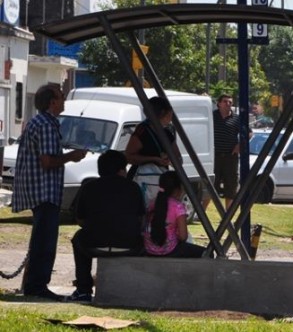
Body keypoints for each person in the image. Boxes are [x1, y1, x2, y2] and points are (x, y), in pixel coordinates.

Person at [12, 84, 87, 300]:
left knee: (42, 239)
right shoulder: (45, 124)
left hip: (41, 188)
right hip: (43, 189)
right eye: (61, 97)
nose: (64, 100)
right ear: (52, 102)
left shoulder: (43, 123)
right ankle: (37, 286)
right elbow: (47, 161)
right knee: (45, 241)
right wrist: (70, 157)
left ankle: (34, 283)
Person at [67, 150, 145, 302]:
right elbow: (141, 219)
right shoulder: (133, 188)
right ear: (121, 170)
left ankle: (83, 290)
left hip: (93, 244)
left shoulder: (89, 187)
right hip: (130, 246)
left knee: (78, 238)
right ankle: (135, 287)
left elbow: (80, 219)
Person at [125, 96, 181, 209]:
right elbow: (129, 156)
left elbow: (178, 158)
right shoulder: (142, 131)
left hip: (162, 182)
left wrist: (170, 160)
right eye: (170, 113)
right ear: (162, 113)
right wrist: (153, 159)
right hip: (141, 182)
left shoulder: (168, 133)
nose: (171, 116)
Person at [142, 170, 207, 258]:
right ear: (178, 189)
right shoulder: (178, 207)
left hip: (149, 250)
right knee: (207, 253)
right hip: (170, 251)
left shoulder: (152, 203)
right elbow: (183, 236)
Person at [210, 94, 241, 210]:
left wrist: (240, 145)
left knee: (231, 186)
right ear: (218, 103)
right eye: (225, 101)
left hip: (230, 157)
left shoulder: (237, 119)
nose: (228, 104)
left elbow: (248, 133)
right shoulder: (212, 116)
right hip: (214, 157)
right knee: (211, 185)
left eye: (230, 102)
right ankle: (200, 213)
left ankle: (228, 215)